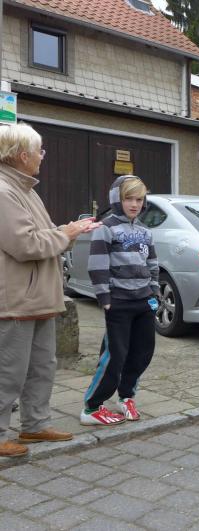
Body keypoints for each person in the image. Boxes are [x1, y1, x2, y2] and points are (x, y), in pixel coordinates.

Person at [0, 123, 99, 457]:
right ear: (21, 155)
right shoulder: (3, 191)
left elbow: (43, 235)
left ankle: (35, 425)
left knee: (42, 366)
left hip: (39, 297)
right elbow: (25, 244)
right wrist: (66, 234)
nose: (42, 156)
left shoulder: (26, 190)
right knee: (8, 371)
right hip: (16, 300)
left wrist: (68, 230)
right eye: (38, 151)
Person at [82, 176, 159, 426]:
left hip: (144, 302)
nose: (134, 204)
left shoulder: (145, 232)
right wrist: (105, 298)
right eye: (128, 199)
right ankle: (92, 407)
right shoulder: (106, 228)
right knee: (115, 356)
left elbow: (152, 265)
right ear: (117, 199)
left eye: (139, 199)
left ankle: (126, 397)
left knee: (142, 353)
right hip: (118, 303)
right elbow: (97, 265)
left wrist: (154, 293)